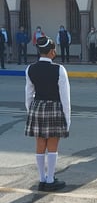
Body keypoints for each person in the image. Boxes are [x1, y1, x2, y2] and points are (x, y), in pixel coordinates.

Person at [25, 36, 70, 191]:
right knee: (52, 145)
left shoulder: (30, 68)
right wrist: (67, 119)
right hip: (54, 107)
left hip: (36, 106)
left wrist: (31, 111)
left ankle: (42, 179)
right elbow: (65, 97)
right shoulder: (59, 69)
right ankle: (50, 179)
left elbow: (28, 94)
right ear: (51, 51)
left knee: (40, 144)